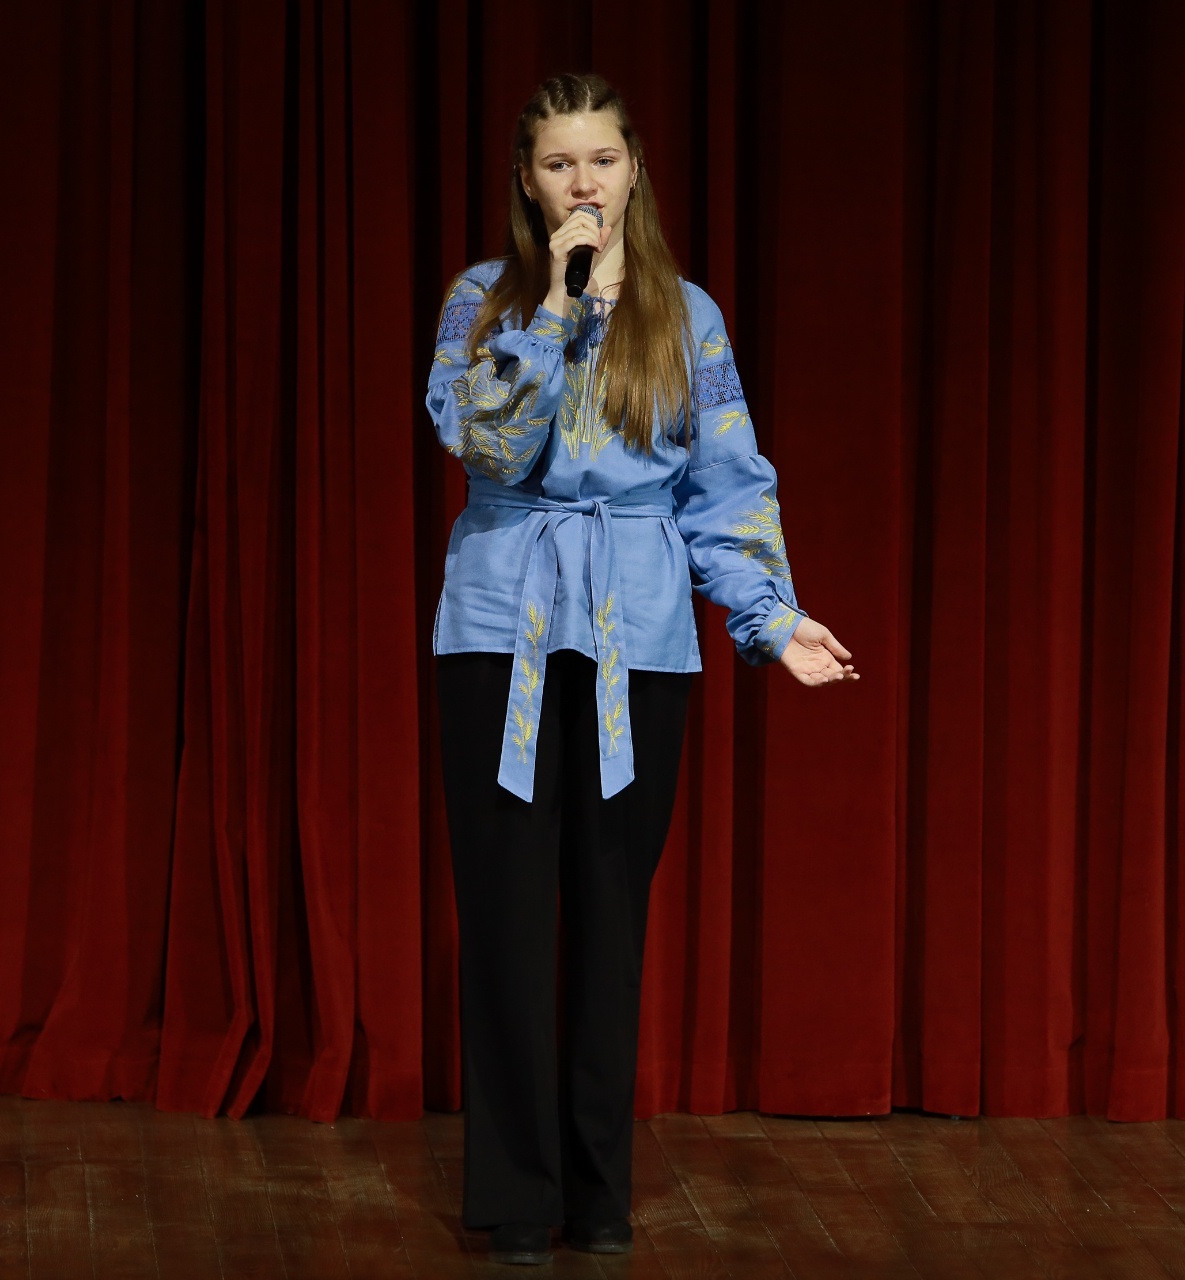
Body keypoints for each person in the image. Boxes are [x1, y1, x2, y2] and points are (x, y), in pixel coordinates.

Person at [425, 71, 858, 1266]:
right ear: (529, 182)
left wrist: (769, 617)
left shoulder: (688, 316)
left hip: (641, 637)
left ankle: (599, 1188)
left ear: (634, 172)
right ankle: (518, 1194)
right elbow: (481, 439)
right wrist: (554, 310)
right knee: (509, 918)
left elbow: (727, 482)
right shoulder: (483, 299)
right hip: (501, 631)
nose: (585, 185)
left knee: (609, 918)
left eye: (603, 161)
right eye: (560, 164)